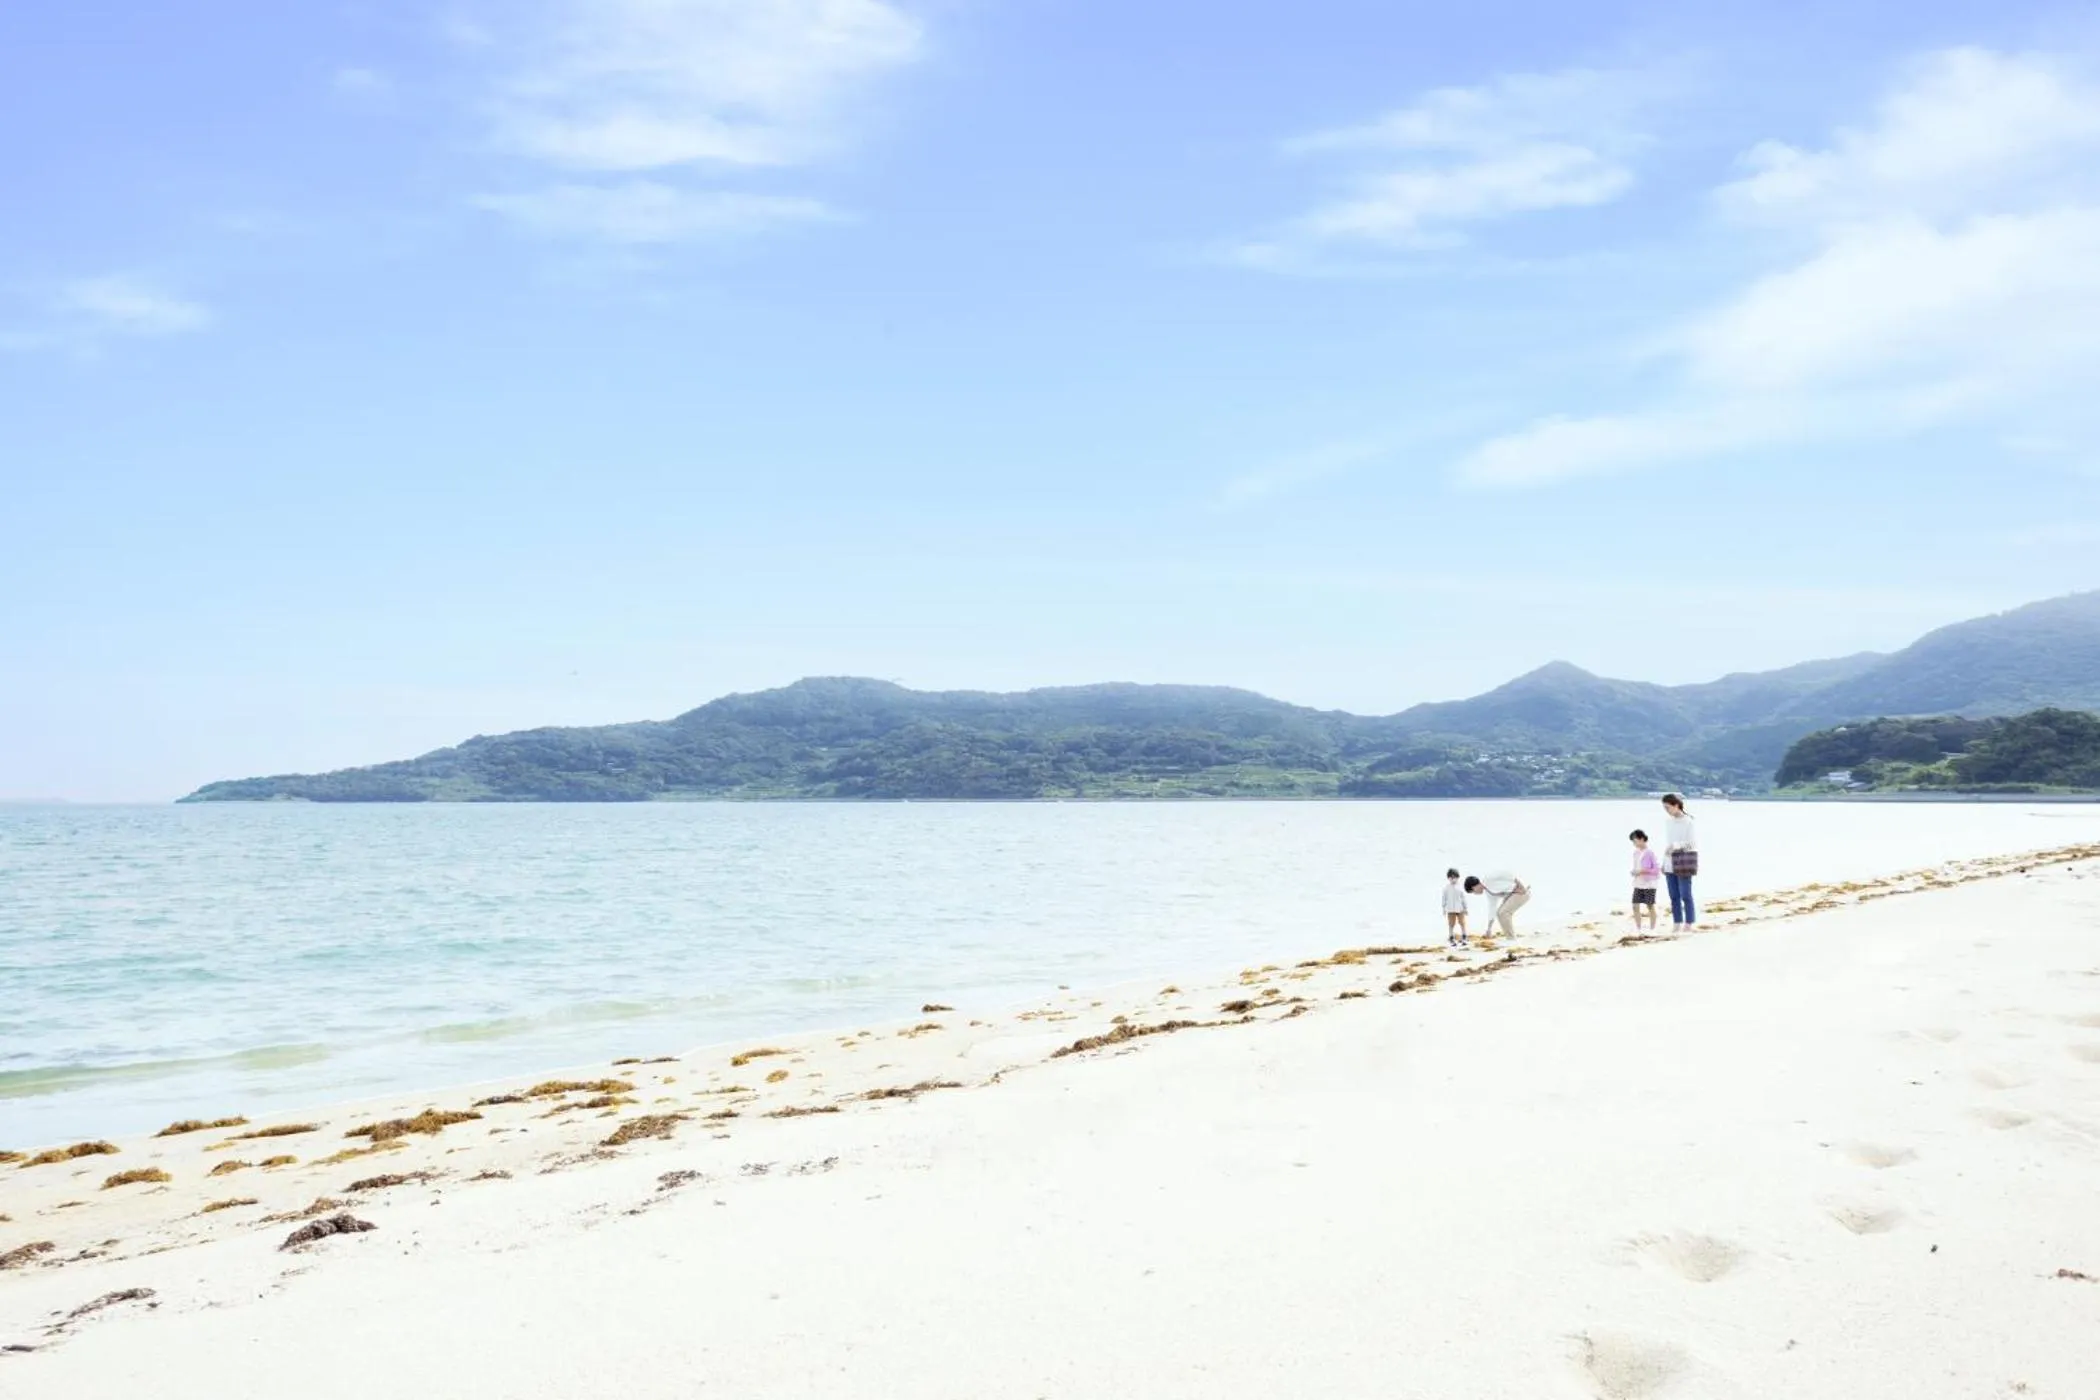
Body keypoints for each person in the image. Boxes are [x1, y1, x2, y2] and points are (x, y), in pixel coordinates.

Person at [1661, 793, 1698, 929]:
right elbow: (1668, 844)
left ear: (1676, 805)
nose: (1666, 811)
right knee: (1673, 896)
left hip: (1684, 861)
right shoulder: (1668, 822)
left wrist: (1675, 846)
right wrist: (1663, 863)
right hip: (1669, 862)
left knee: (1685, 894)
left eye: (1668, 808)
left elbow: (1692, 844)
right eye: (1664, 808)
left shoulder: (1688, 821)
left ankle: (1689, 923)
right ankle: (1677, 923)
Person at [1463, 872, 1529, 940]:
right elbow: (1492, 909)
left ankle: (1511, 938)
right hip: (1513, 894)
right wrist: (1489, 929)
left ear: (1474, 886)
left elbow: (1506, 874)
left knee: (1502, 913)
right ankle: (1511, 937)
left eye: (1473, 891)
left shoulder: (1488, 879)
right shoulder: (1489, 892)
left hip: (1522, 892)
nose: (1475, 894)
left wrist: (1521, 886)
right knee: (1500, 913)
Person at [1628, 829, 1661, 932]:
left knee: (1650, 906)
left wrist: (1642, 871)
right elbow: (1637, 867)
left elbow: (1656, 870)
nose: (1634, 843)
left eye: (1635, 841)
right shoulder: (1636, 853)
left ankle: (1652, 929)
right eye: (1633, 842)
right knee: (1635, 905)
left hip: (1649, 883)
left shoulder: (1649, 853)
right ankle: (1638, 928)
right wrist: (1634, 872)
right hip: (1638, 883)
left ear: (1642, 839)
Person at [1441, 867, 1470, 947]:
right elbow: (1444, 898)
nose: (1453, 879)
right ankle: (1451, 937)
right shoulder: (1446, 888)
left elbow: (1463, 898)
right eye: (1451, 877)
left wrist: (1465, 908)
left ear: (1458, 877)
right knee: (1451, 924)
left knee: (1462, 923)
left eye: (1455, 877)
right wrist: (1443, 908)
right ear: (1448, 878)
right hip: (1450, 909)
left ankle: (1464, 936)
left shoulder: (1460, 887)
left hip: (1460, 908)